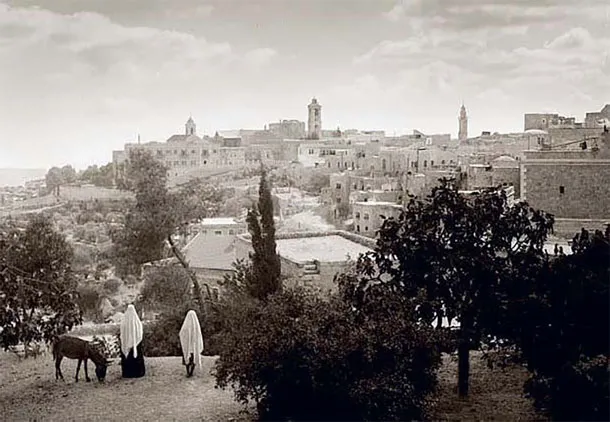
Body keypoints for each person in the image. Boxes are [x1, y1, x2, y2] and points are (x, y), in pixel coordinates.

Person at [119, 304, 145, 378]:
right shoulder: (137, 322)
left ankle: (128, 373)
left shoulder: (124, 322)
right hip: (136, 344)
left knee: (128, 358)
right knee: (136, 357)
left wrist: (126, 342)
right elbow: (140, 333)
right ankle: (138, 372)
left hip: (127, 344)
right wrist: (135, 341)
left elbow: (122, 334)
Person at [179, 310, 204, 377]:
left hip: (188, 346)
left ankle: (188, 372)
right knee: (193, 358)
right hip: (194, 346)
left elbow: (181, 333)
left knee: (188, 358)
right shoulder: (196, 326)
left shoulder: (186, 326)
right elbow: (199, 335)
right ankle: (191, 372)